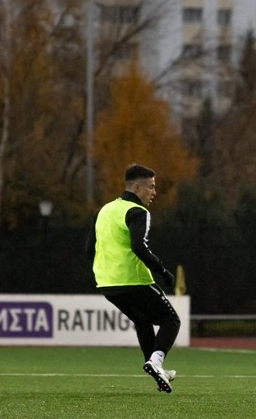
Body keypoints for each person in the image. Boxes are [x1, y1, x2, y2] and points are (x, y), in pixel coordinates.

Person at [85, 163, 181, 393]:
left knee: (143, 320)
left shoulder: (104, 210)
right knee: (171, 321)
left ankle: (155, 368)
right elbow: (139, 246)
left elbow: (89, 249)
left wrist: (106, 270)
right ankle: (156, 362)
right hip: (134, 280)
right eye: (151, 187)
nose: (154, 193)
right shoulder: (137, 212)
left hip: (108, 284)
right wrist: (163, 271)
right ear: (137, 187)